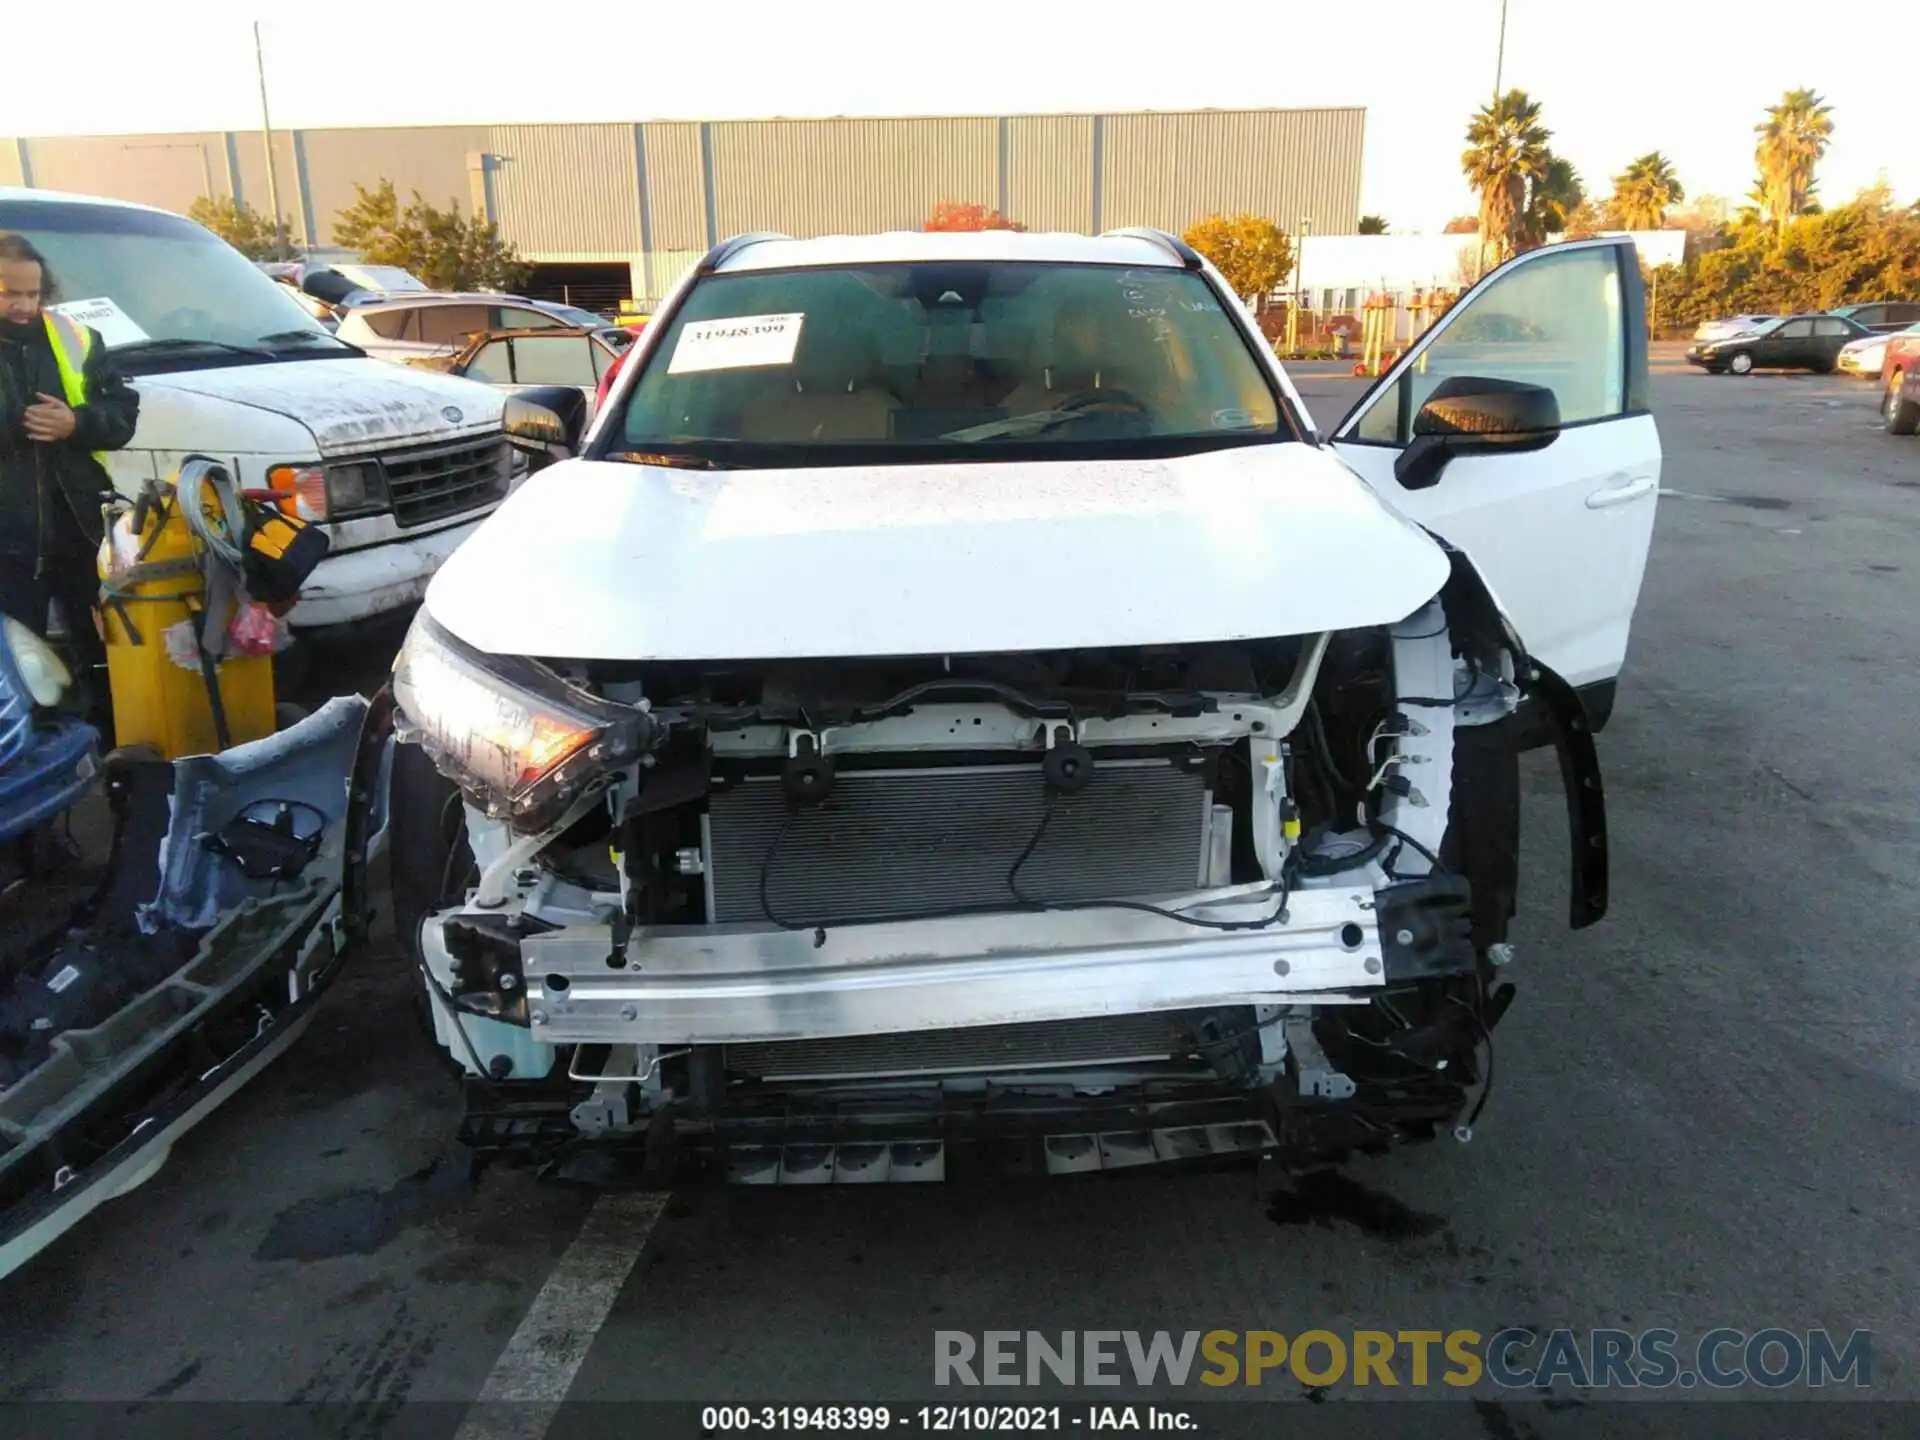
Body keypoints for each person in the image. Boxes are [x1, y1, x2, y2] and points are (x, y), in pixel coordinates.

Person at [0, 232, 140, 718]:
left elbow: (122, 412)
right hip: (9, 542)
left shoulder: (75, 337)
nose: (24, 305)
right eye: (9, 293)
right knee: (19, 670)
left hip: (81, 529)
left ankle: (114, 753)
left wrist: (76, 422)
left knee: (104, 653)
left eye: (32, 293)